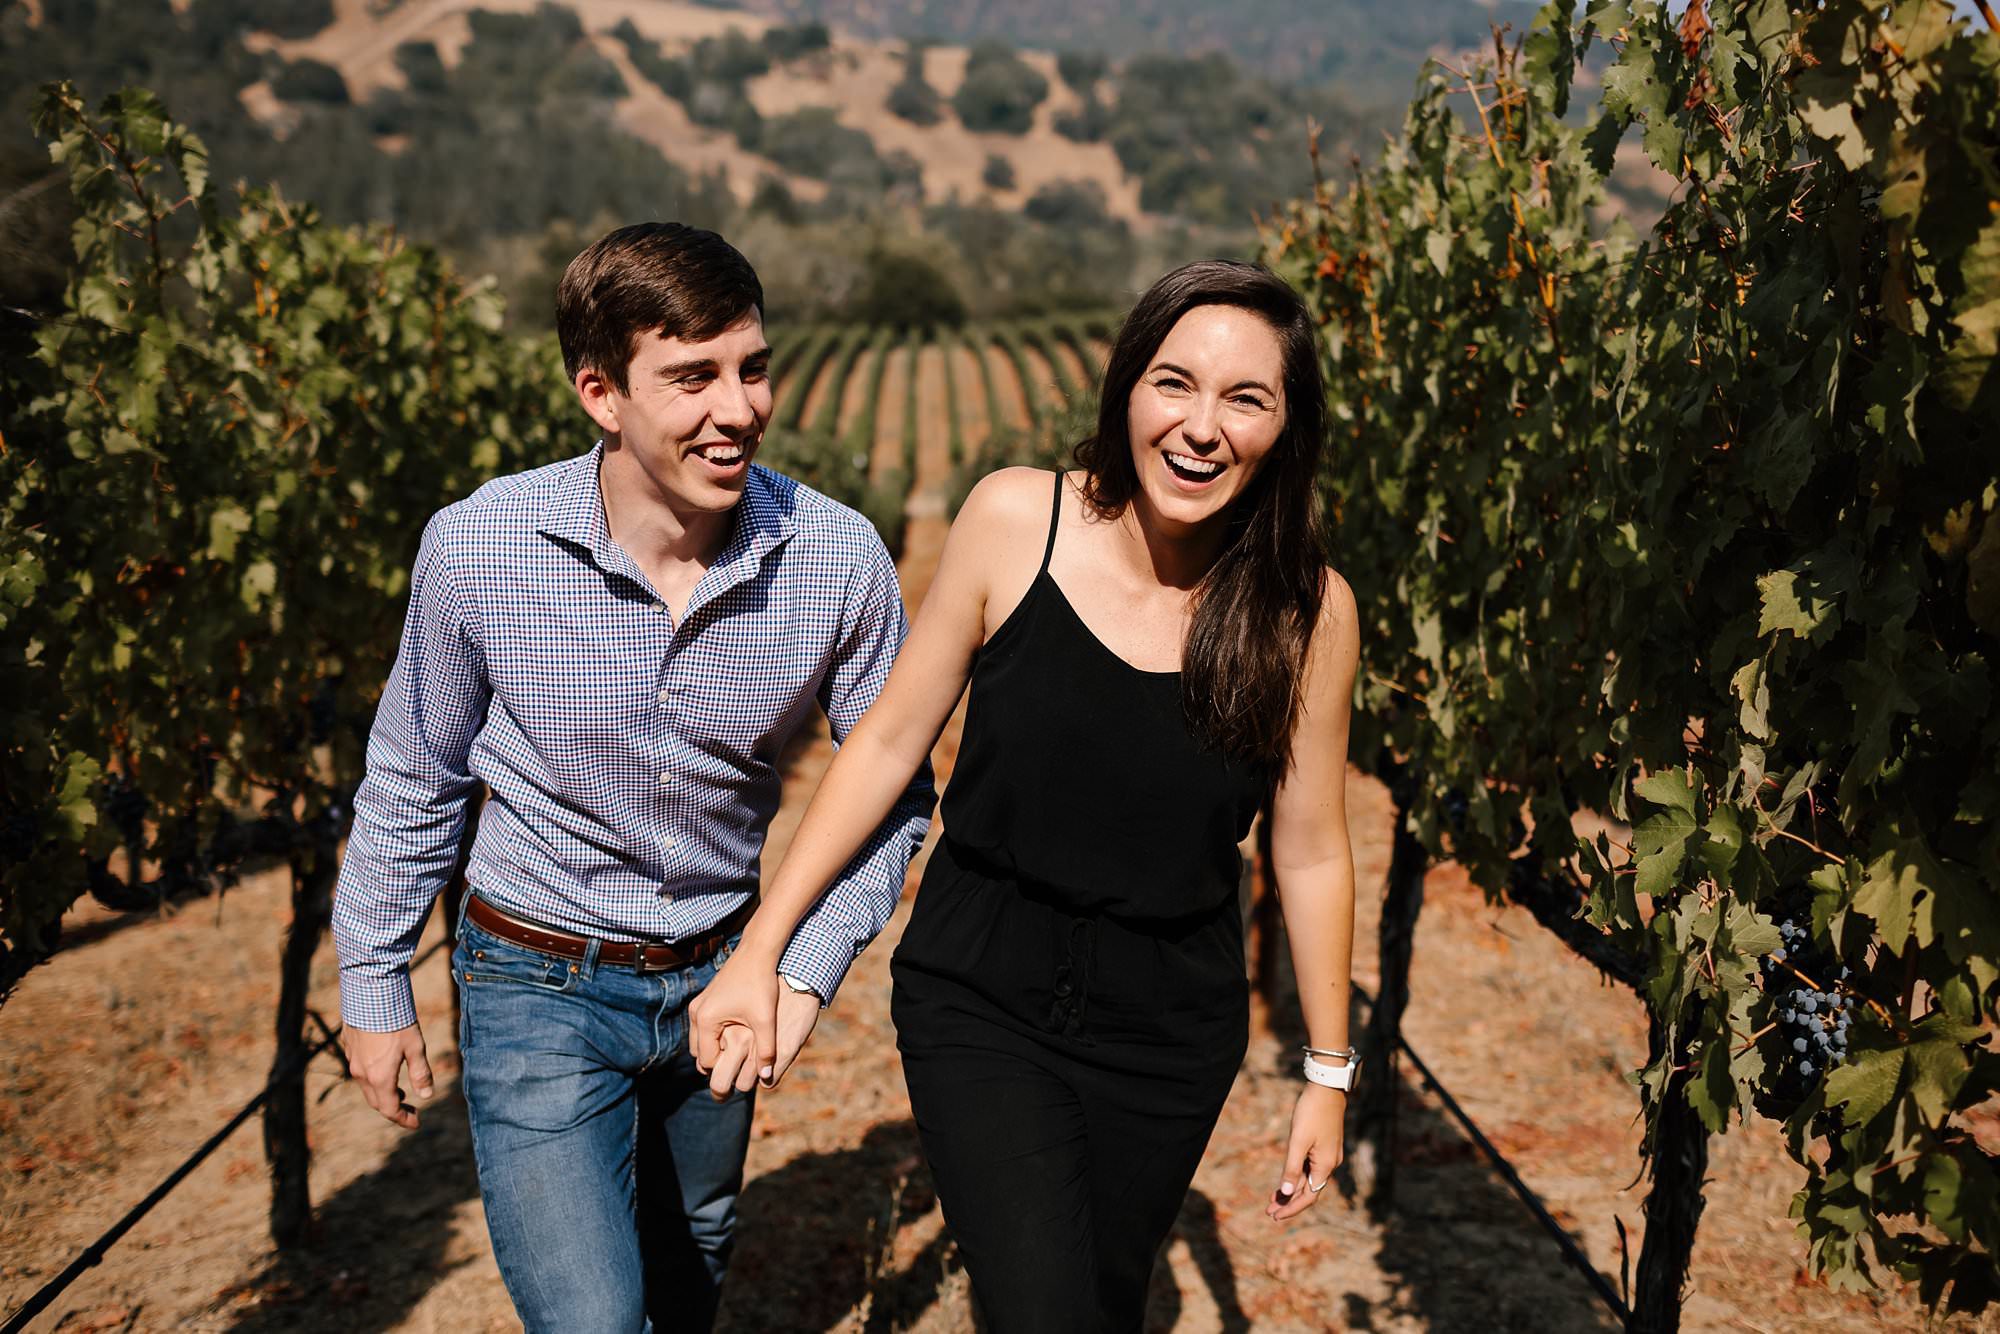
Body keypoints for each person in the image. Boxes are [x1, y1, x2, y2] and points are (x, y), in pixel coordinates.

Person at [689, 259, 1360, 1329]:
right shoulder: (1015, 519)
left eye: (1246, 399)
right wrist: (761, 950)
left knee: (1100, 1303)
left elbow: (1312, 848)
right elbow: (886, 742)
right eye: (1173, 382)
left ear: (1286, 428)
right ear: (1126, 388)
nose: (1200, 427)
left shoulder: (1306, 612)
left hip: (1170, 1026)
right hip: (983, 990)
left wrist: (1326, 1071)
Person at [330, 222, 934, 1333]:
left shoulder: (836, 557)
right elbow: (414, 775)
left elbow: (895, 797)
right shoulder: (482, 547)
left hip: (724, 973)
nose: (739, 407)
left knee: (692, 1254)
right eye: (693, 377)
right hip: (534, 980)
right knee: (596, 1319)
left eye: (752, 368)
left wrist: (798, 973)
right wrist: (372, 982)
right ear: (600, 393)